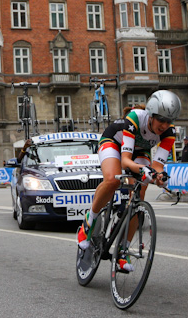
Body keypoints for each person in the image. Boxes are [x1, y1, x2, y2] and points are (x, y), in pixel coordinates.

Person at [77, 90, 180, 272]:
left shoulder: (169, 133)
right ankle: (89, 221)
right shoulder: (135, 118)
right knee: (112, 179)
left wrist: (160, 177)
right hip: (114, 143)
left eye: (168, 121)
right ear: (151, 115)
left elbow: (157, 166)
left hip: (140, 152)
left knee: (139, 194)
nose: (164, 125)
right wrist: (143, 170)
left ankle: (122, 252)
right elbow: (125, 160)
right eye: (161, 120)